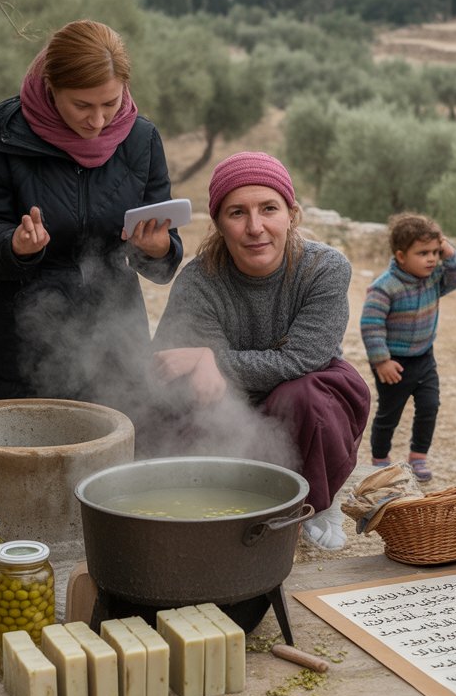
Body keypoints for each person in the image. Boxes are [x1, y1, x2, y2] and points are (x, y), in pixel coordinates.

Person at [152, 151, 371, 547]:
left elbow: (301, 359)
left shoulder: (324, 268)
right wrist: (204, 368)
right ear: (218, 223)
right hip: (229, 405)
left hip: (303, 391)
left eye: (269, 208)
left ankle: (319, 501)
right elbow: (198, 384)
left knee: (306, 394)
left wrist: (210, 357)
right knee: (179, 409)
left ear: (292, 214)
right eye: (237, 213)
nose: (255, 227)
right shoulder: (198, 282)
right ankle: (230, 501)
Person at [0, 19, 183, 413]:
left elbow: (162, 261)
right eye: (82, 105)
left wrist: (157, 248)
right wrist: (16, 246)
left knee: (112, 459)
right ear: (51, 88)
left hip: (115, 330)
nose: (98, 121)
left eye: (110, 104)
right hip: (22, 332)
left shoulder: (141, 139)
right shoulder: (5, 137)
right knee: (26, 457)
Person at [359, 212, 456, 482]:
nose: (432, 258)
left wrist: (447, 248)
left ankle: (418, 457)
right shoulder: (385, 287)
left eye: (435, 251)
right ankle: (380, 459)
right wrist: (381, 360)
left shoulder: (434, 278)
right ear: (401, 255)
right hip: (394, 363)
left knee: (429, 406)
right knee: (389, 413)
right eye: (423, 253)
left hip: (424, 357)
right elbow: (371, 325)